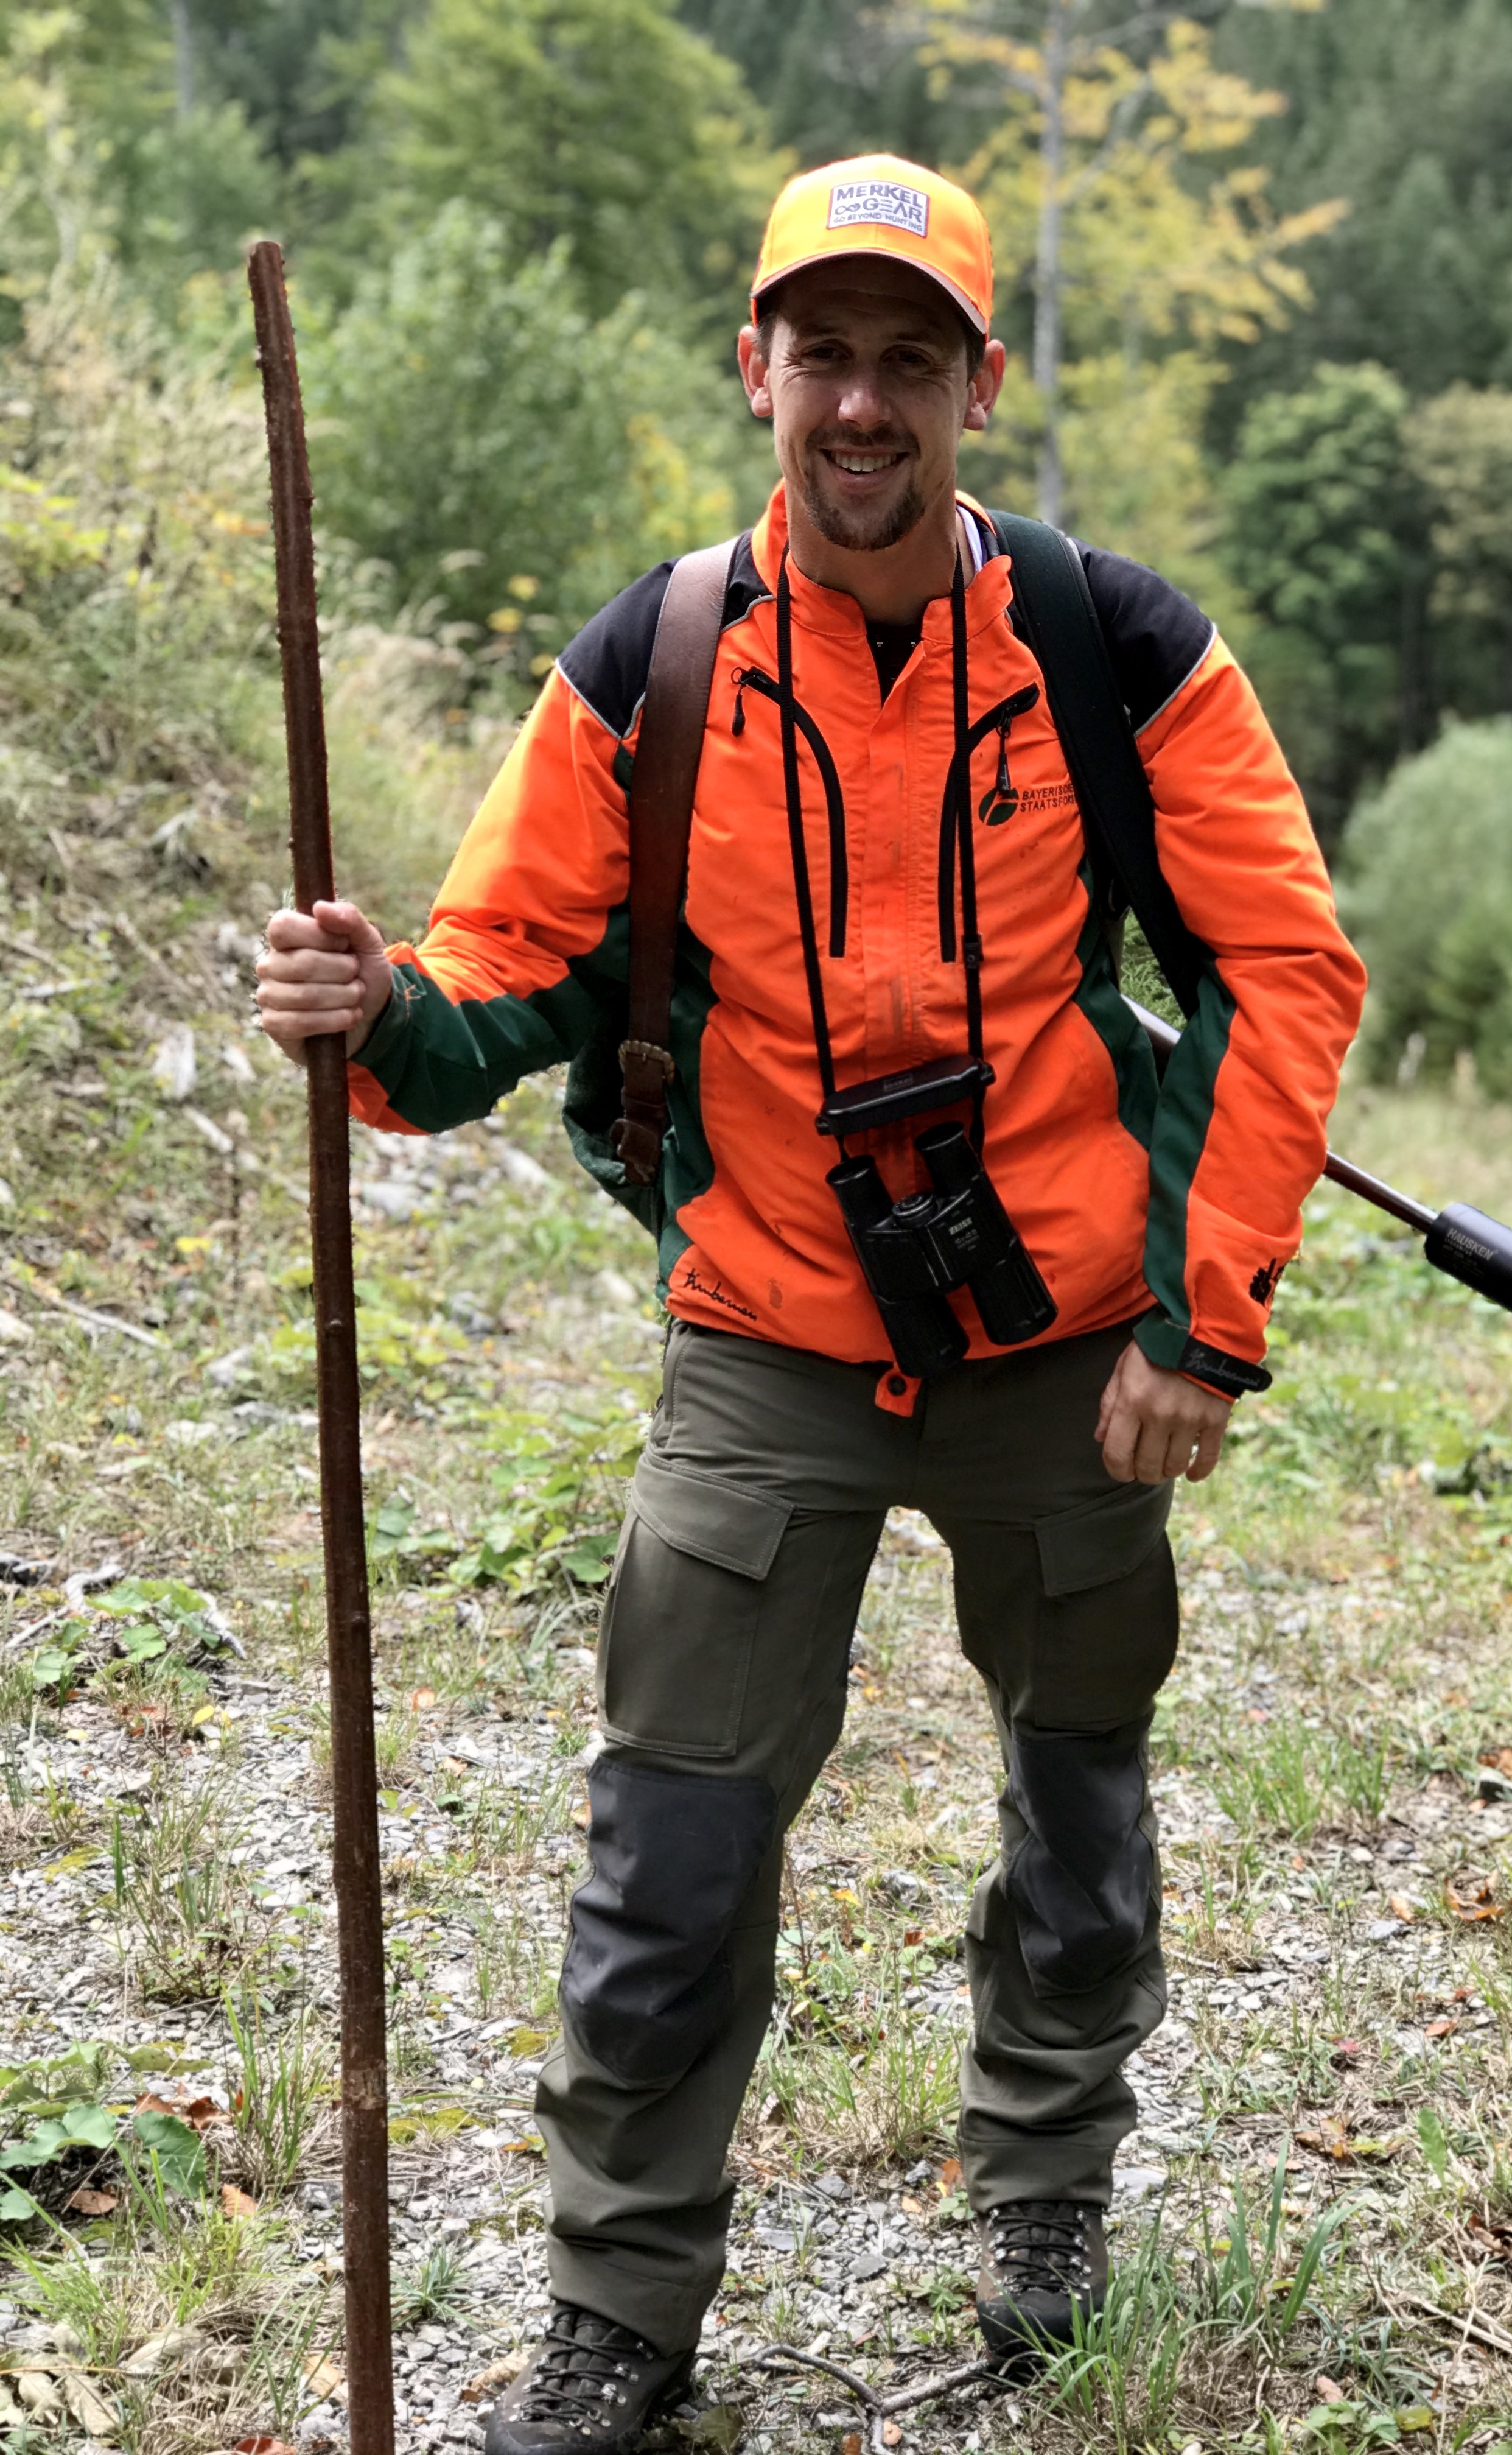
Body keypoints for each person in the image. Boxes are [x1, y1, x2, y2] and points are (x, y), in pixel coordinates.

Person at [258, 153, 1364, 2454]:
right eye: (822, 351)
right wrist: (374, 1008)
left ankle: (1045, 2187)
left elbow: (1285, 962)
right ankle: (619, 2316)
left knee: (1076, 1791)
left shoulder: (1114, 645)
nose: (862, 404)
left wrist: (1202, 1316)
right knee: (669, 1846)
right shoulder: (651, 665)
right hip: (763, 1336)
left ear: (978, 382)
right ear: (754, 363)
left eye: (910, 359)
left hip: (1069, 1344)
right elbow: (498, 980)